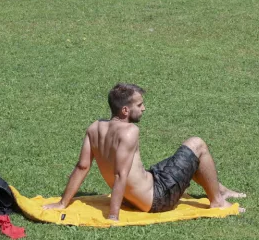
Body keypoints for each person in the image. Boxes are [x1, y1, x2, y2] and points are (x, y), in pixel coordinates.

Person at [43, 84, 245, 220]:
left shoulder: (94, 128)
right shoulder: (129, 131)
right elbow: (120, 175)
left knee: (185, 158)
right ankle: (218, 201)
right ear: (125, 110)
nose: (144, 108)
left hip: (146, 186)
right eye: (139, 105)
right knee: (197, 144)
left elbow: (82, 167)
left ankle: (220, 189)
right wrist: (113, 216)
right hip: (157, 199)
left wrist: (62, 203)